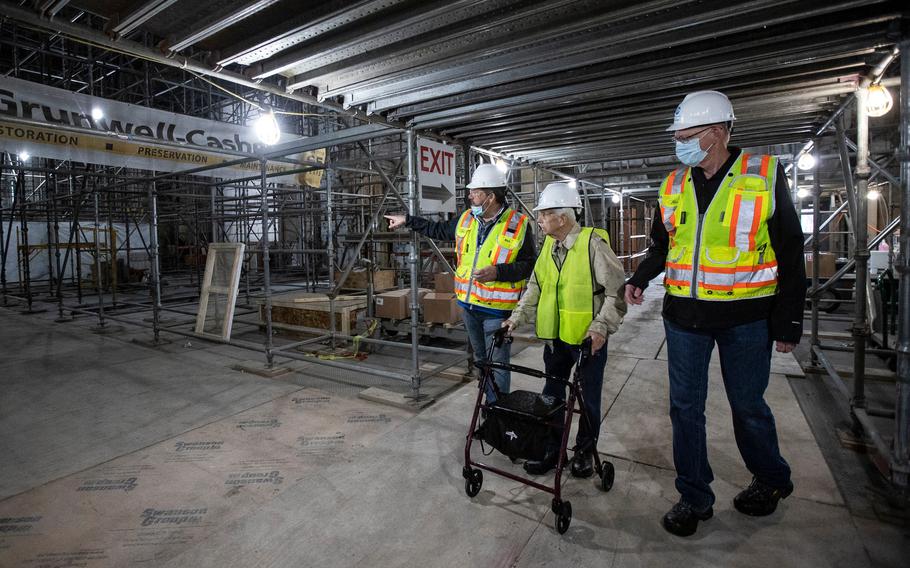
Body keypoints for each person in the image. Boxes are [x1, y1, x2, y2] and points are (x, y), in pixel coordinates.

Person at [624, 90, 806, 537]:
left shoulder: (763, 175)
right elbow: (663, 245)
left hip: (747, 319)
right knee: (685, 409)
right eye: (678, 135)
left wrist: (788, 320)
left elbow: (790, 251)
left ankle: (771, 478)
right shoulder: (672, 185)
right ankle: (694, 495)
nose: (680, 142)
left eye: (688, 134)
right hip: (684, 318)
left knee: (748, 406)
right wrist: (641, 277)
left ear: (719, 132)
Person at [502, 182, 627, 478]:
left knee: (587, 399)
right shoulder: (548, 245)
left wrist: (600, 328)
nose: (540, 220)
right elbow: (535, 287)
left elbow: (616, 292)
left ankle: (584, 452)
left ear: (563, 217)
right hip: (555, 341)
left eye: (544, 214)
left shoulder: (593, 244)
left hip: (587, 341)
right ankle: (552, 450)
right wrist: (515, 319)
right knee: (552, 398)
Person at [385, 163, 535, 401]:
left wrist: (498, 272)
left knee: (498, 364)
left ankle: (497, 413)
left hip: (497, 312)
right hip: (468, 308)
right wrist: (407, 220)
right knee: (482, 360)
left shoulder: (518, 224)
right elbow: (438, 229)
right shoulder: (466, 219)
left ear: (490, 196)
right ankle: (487, 405)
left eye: (475, 192)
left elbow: (528, 265)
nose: (470, 196)